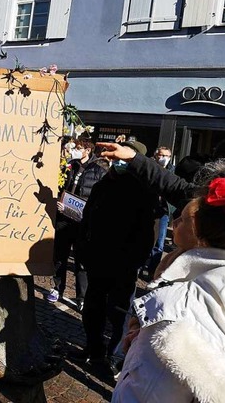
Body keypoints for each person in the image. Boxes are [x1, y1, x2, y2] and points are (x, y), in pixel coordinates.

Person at [112, 162, 225, 403]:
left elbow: (140, 395)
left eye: (182, 219)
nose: (173, 223)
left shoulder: (175, 309)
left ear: (201, 234)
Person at [75, 140, 160, 374]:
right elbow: (88, 217)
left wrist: (133, 261)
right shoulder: (104, 183)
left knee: (119, 312)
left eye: (125, 160)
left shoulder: (145, 190)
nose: (118, 163)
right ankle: (93, 349)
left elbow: (148, 233)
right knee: (93, 308)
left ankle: (116, 356)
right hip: (97, 259)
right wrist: (83, 247)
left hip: (124, 264)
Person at [46, 138, 108, 309]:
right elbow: (59, 186)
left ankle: (82, 296)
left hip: (83, 222)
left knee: (81, 262)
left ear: (87, 150)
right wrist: (58, 200)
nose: (75, 150)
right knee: (60, 257)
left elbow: (101, 197)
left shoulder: (99, 169)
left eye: (78, 148)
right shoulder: (69, 166)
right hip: (64, 219)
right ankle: (57, 287)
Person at [143, 146, 173, 280]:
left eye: (166, 156)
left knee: (159, 243)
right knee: (144, 240)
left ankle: (152, 271)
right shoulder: (149, 169)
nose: (163, 158)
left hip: (162, 212)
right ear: (155, 156)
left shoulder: (172, 172)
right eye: (161, 155)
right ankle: (139, 265)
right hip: (148, 209)